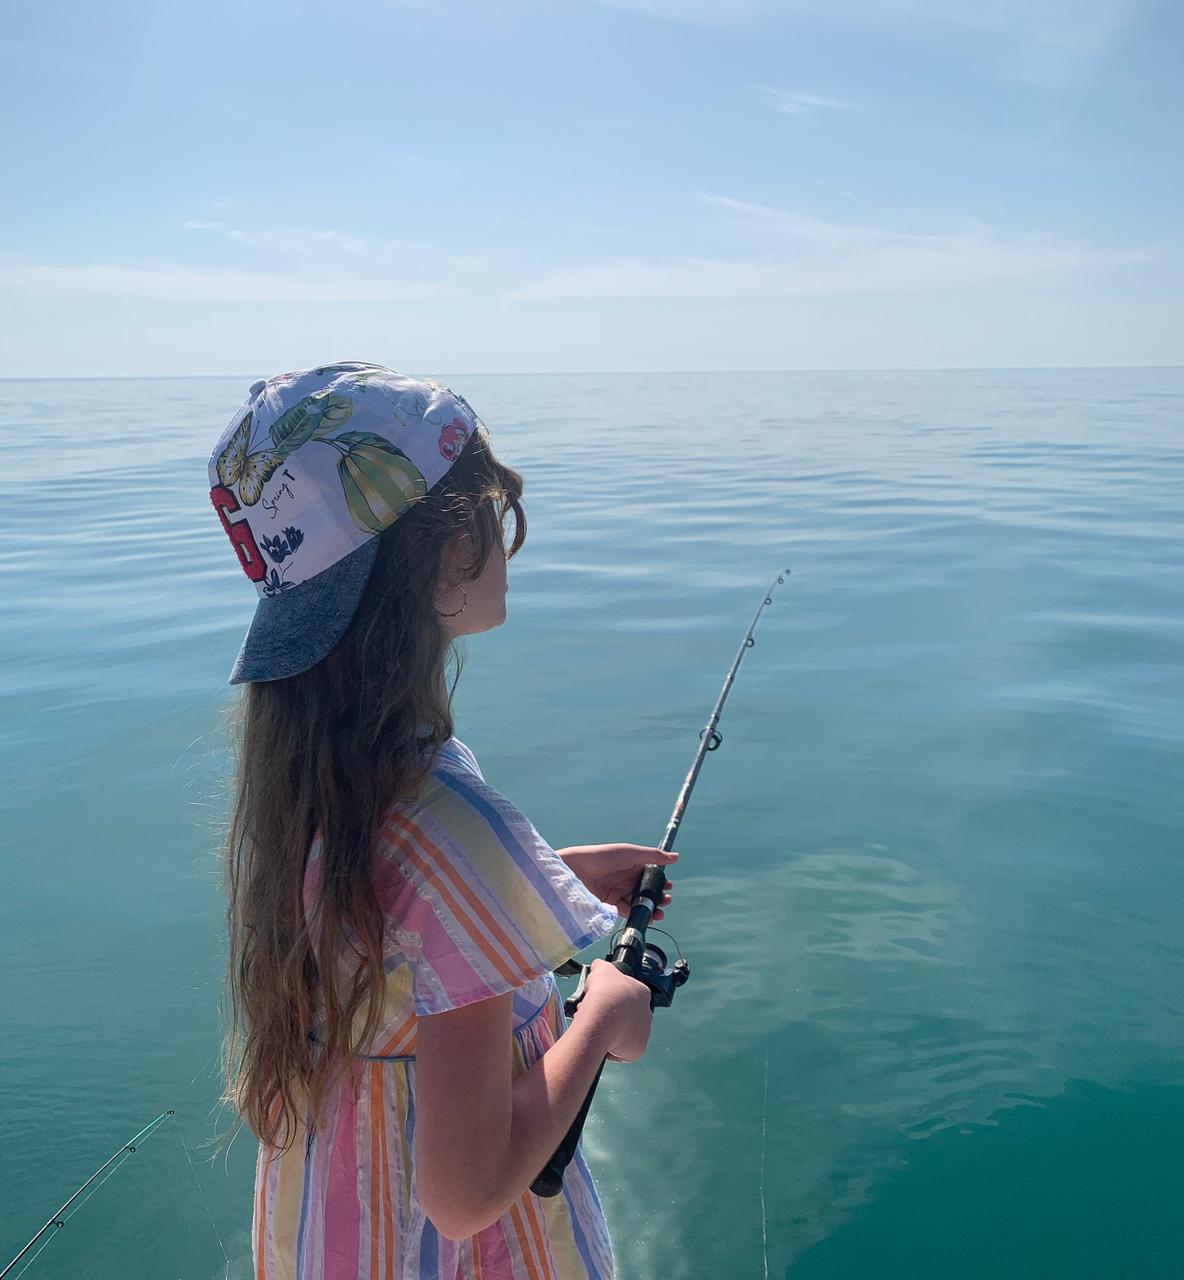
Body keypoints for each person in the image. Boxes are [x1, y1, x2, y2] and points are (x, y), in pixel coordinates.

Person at [207, 362, 677, 1279]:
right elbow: (464, 1197)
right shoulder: (452, 821)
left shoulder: (307, 777)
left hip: (331, 1232)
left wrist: (538, 883)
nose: (508, 544)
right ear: (436, 552)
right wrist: (604, 1016)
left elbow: (380, 936)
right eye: (495, 520)